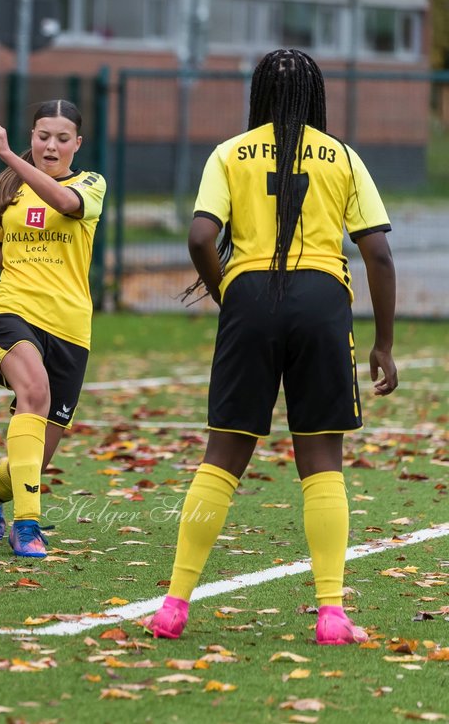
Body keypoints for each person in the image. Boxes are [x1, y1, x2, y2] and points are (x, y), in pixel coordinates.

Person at [146, 49, 397, 646]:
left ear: (258, 95)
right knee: (321, 461)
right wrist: (384, 343)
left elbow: (201, 236)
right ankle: (332, 614)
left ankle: (174, 605)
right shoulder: (341, 155)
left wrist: (228, 295)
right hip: (321, 300)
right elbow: (379, 254)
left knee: (222, 456)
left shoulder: (229, 152)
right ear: (316, 95)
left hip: (250, 298)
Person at [0, 101, 105, 558]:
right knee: (34, 394)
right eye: (43, 135)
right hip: (12, 309)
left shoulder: (91, 184)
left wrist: (8, 156)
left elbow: (64, 203)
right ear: (33, 136)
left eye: (63, 138)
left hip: (70, 325)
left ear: (77, 144)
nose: (51, 145)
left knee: (37, 458)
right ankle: (27, 526)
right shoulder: (9, 189)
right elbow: (10, 256)